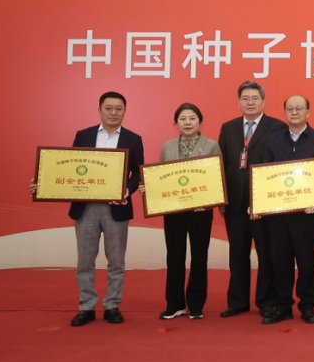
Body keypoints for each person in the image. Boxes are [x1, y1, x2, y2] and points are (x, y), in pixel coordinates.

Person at [59, 92, 145, 326]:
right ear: (99, 110)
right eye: (108, 108)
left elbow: (138, 173)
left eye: (118, 108)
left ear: (125, 111)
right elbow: (71, 166)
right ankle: (86, 306)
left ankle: (112, 305)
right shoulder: (83, 135)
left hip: (116, 208)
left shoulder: (133, 139)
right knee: (85, 261)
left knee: (116, 261)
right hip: (86, 207)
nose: (113, 113)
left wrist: (127, 190)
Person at [216, 81, 286, 318]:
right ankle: (237, 302)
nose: (250, 102)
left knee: (267, 254)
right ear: (238, 102)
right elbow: (222, 165)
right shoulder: (228, 128)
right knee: (237, 253)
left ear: (263, 101)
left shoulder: (276, 126)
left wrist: (267, 200)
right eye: (245, 98)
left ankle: (266, 300)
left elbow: (279, 165)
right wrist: (221, 198)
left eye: (255, 98)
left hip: (263, 203)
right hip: (235, 204)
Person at [261, 95, 314, 324]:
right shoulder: (273, 140)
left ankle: (307, 306)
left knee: (305, 261)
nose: (294, 112)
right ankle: (283, 307)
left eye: (299, 108)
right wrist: (262, 202)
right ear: (284, 113)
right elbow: (265, 173)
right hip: (279, 212)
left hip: (306, 213)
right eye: (290, 108)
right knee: (281, 261)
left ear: (308, 112)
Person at [153, 103, 219, 320]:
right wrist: (150, 188)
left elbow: (217, 177)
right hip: (174, 209)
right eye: (183, 119)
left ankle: (196, 304)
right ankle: (175, 304)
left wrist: (207, 202)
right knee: (174, 256)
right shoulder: (168, 146)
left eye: (192, 118)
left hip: (201, 210)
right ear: (176, 123)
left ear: (200, 122)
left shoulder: (212, 145)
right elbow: (160, 176)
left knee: (199, 256)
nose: (187, 122)